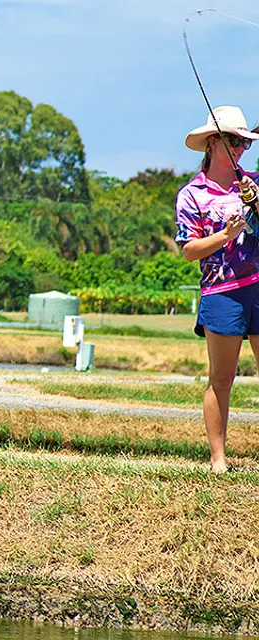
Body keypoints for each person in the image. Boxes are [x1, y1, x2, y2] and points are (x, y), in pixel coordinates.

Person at [178, 105, 259, 472]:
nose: (240, 149)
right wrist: (224, 234)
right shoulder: (193, 194)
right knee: (222, 378)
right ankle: (218, 459)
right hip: (222, 292)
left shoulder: (254, 183)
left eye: (244, 142)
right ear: (213, 143)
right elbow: (188, 250)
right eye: (233, 141)